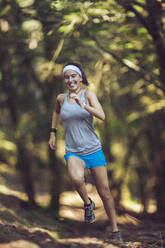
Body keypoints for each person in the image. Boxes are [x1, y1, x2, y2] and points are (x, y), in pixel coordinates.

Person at [48, 62, 122, 242]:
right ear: (64, 80)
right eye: (67, 77)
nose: (70, 80)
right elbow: (56, 113)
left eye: (74, 76)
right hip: (74, 150)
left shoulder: (88, 94)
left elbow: (102, 116)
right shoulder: (61, 98)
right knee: (75, 178)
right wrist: (53, 132)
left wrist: (84, 105)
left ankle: (115, 231)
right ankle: (88, 204)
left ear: (80, 78)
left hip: (94, 150)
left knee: (105, 192)